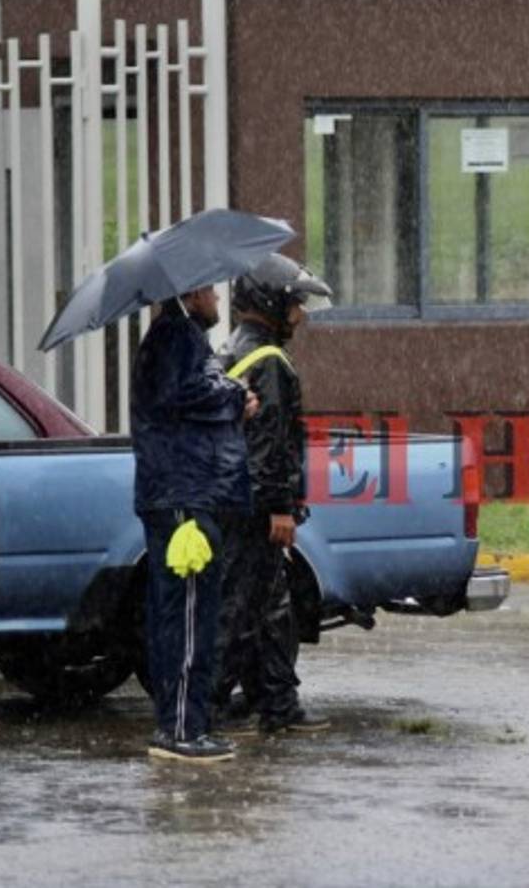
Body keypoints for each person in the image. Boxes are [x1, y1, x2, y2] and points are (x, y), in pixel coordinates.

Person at [131, 284, 257, 763]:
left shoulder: (178, 338)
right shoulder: (176, 337)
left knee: (182, 612)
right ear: (192, 293)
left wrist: (226, 395)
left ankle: (181, 722)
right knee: (188, 614)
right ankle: (181, 729)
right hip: (183, 497)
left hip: (181, 493)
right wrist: (234, 395)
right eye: (211, 293)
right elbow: (187, 393)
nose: (219, 303)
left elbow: (188, 398)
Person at [211, 254, 333, 735]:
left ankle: (278, 705)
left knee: (268, 608)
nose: (300, 315)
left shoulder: (231, 351)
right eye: (294, 304)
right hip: (256, 507)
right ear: (270, 302)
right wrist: (279, 508)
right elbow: (271, 444)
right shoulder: (270, 362)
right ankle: (205, 708)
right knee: (242, 611)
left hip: (232, 501)